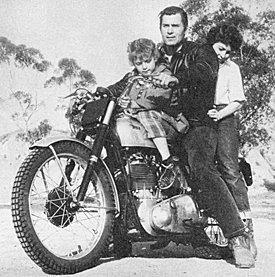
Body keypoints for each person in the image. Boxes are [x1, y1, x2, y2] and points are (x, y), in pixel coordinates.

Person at [153, 6, 255, 268]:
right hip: (169, 121)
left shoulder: (201, 51)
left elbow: (205, 70)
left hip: (199, 124)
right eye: (166, 25)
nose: (170, 30)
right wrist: (107, 90)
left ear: (185, 29)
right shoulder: (156, 54)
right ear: (161, 27)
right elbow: (138, 76)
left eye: (176, 26)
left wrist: (175, 78)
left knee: (202, 168)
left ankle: (237, 236)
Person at [107, 38, 188, 188]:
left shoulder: (163, 73)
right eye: (138, 63)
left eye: (147, 61)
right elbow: (117, 88)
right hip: (147, 123)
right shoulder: (132, 77)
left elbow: (159, 97)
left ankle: (167, 161)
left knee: (145, 114)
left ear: (155, 58)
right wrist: (103, 93)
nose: (144, 67)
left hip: (169, 121)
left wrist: (134, 104)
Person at [206, 23, 257, 259]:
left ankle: (246, 231)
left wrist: (221, 113)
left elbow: (238, 100)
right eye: (219, 48)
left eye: (227, 51)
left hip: (225, 117)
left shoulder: (231, 68)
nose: (222, 54)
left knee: (229, 167)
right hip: (203, 117)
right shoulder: (201, 63)